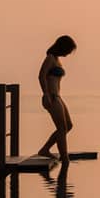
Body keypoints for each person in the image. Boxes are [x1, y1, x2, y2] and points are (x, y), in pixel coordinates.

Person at [35, 35, 77, 163]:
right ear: (62, 47)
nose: (69, 53)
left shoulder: (57, 60)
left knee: (68, 126)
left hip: (57, 96)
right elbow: (41, 76)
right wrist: (46, 94)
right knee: (62, 128)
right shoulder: (50, 58)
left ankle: (45, 149)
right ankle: (65, 158)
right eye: (69, 50)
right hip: (51, 96)